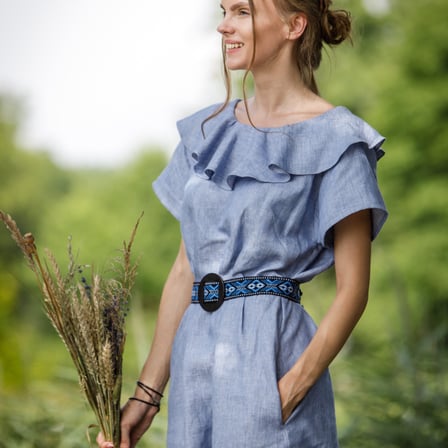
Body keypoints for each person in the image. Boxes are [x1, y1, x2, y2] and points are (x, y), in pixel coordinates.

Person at [98, 0, 388, 446]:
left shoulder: (338, 139)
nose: (223, 27)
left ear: (294, 25)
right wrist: (147, 395)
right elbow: (186, 269)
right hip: (195, 363)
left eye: (242, 12)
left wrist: (289, 392)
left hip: (272, 360)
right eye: (224, 11)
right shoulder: (208, 132)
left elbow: (353, 290)